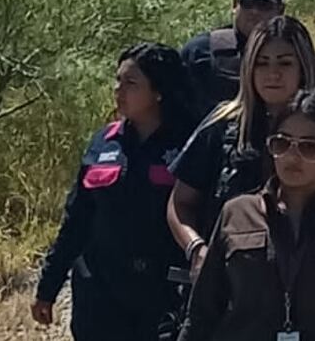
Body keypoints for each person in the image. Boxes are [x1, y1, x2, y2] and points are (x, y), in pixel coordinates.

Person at [168, 16, 315, 340]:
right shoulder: (222, 125)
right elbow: (179, 202)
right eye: (262, 63)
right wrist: (197, 249)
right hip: (236, 288)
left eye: (284, 63)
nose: (273, 74)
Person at [178, 88, 315, 341]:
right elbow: (202, 313)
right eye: (282, 143)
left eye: (309, 148)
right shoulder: (237, 213)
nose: (292, 156)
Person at [33, 43, 195, 341]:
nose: (118, 90)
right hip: (100, 295)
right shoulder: (103, 142)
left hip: (163, 295)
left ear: (158, 91)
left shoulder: (189, 144)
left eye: (130, 83)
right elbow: (76, 220)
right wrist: (48, 287)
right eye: (117, 80)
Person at [181, 0, 285, 121]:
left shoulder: (297, 57)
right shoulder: (200, 52)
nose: (254, 11)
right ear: (235, 5)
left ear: (280, 10)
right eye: (247, 3)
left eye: (264, 5)